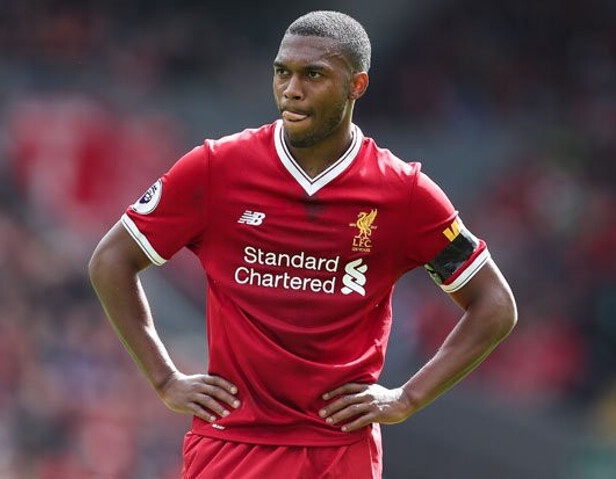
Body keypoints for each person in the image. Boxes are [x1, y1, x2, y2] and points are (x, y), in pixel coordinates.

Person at [88, 10, 517, 478]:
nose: (291, 89)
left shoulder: (404, 193)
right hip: (232, 445)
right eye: (282, 72)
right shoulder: (216, 168)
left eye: (313, 75)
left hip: (338, 450)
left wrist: (407, 398)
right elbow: (111, 260)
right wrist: (165, 378)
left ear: (356, 85)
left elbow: (494, 305)